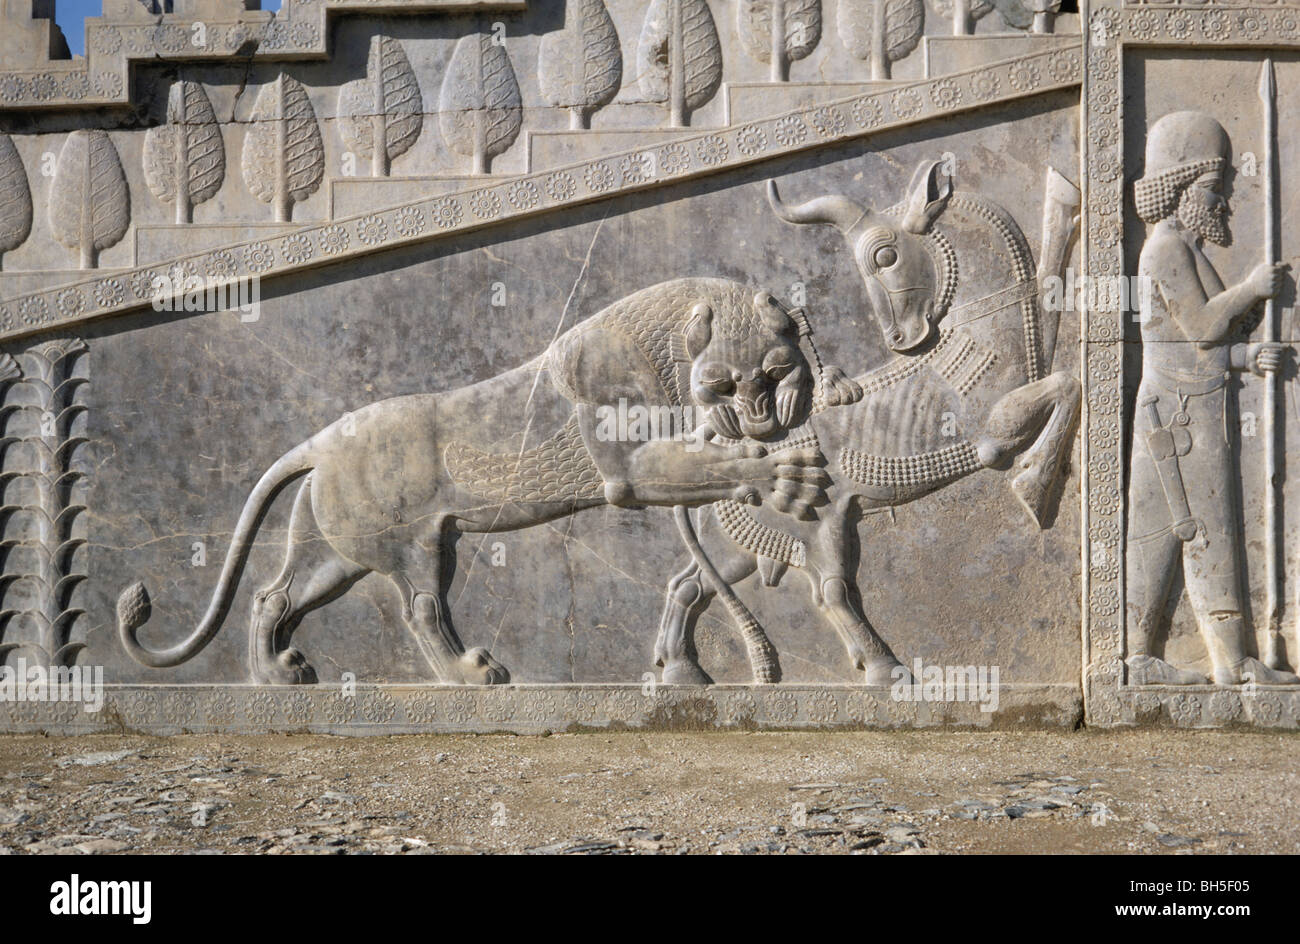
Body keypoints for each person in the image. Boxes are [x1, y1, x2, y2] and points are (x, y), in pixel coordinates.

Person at [1126, 110, 1300, 686]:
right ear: (1179, 187)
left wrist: (1247, 357)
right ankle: (1157, 659)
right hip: (1174, 416)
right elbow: (1201, 326)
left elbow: (1195, 349)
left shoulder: (1187, 248)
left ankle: (1224, 661)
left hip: (1194, 401)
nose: (1226, 201)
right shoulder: (1164, 250)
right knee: (1182, 531)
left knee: (1200, 530)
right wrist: (1251, 288)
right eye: (1214, 189)